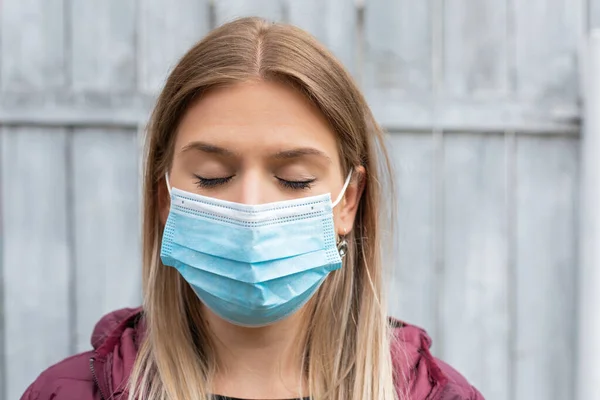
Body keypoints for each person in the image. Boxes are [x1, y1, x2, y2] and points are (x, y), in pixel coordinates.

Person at [21, 17, 483, 400]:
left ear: (349, 201)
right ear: (165, 200)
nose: (251, 208)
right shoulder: (65, 392)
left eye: (294, 179)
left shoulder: (438, 394)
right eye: (212, 176)